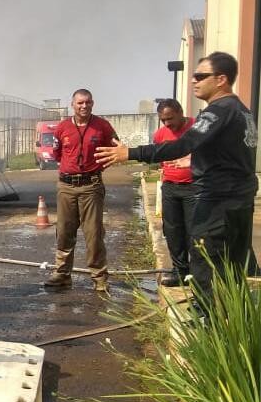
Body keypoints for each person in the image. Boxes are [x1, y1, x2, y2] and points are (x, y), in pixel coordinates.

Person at [96, 51, 258, 307]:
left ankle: (207, 317)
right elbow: (228, 155)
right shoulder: (241, 110)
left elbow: (183, 144)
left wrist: (131, 153)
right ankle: (234, 317)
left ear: (221, 80)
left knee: (204, 257)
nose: (194, 80)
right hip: (239, 197)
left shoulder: (217, 111)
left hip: (218, 200)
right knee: (233, 263)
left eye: (201, 76)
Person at [43, 89, 118, 292]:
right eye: (80, 103)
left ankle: (99, 277)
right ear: (72, 105)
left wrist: (97, 168)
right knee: (64, 231)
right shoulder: (63, 127)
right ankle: (62, 274)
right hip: (66, 186)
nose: (84, 106)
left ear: (92, 103)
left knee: (93, 233)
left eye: (88, 102)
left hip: (91, 186)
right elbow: (58, 153)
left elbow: (115, 151)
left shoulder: (102, 126)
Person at [152, 99, 196, 287]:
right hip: (170, 187)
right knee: (172, 231)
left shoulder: (197, 127)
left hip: (194, 188)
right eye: (163, 120)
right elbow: (160, 159)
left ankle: (197, 273)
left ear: (181, 112)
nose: (167, 123)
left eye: (170, 118)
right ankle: (179, 271)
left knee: (194, 232)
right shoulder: (160, 134)